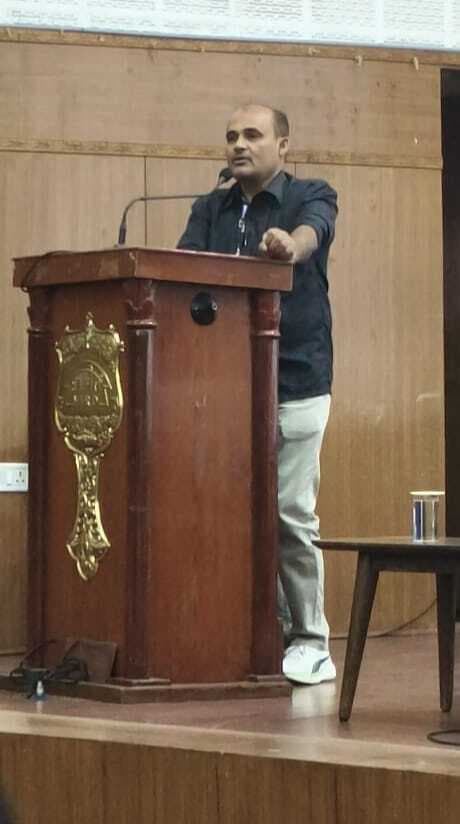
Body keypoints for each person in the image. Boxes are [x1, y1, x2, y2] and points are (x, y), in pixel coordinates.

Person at [178, 103, 338, 685]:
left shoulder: (311, 194)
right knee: (235, 513)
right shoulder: (209, 209)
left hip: (296, 380)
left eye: (252, 134)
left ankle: (313, 641)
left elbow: (310, 236)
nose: (239, 145)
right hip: (227, 386)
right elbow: (181, 272)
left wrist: (288, 246)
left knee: (289, 512)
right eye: (231, 136)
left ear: (283, 145)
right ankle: (263, 636)